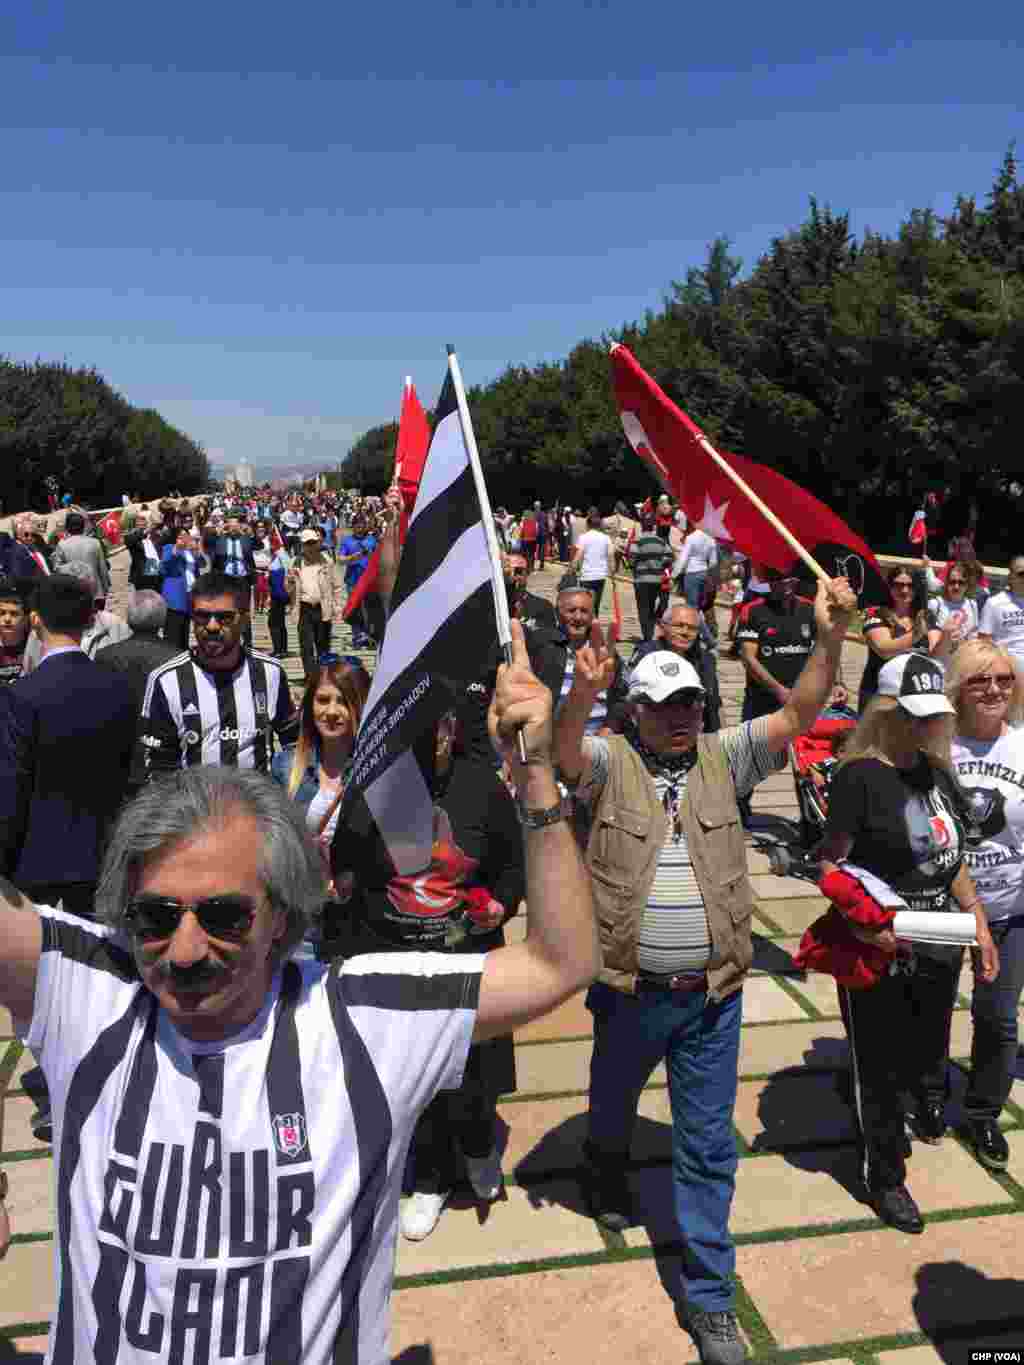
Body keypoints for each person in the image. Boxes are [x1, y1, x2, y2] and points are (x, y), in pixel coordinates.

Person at [0, 621, 597, 1364]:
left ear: (281, 917)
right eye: (154, 917)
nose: (184, 950)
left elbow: (561, 961)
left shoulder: (359, 1017)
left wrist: (536, 774)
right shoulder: (91, 987)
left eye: (224, 916)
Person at [553, 576, 857, 1365]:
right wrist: (578, 694)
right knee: (611, 1102)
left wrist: (830, 639)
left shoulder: (725, 757)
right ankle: (605, 1169)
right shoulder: (610, 759)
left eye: (689, 700)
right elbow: (560, 753)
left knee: (708, 1146)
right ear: (634, 711)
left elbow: (798, 714)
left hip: (713, 1000)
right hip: (628, 992)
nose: (680, 714)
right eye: (663, 704)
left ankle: (711, 1296)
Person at [816, 652, 999, 1234]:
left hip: (938, 937)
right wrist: (862, 924)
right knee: (877, 1066)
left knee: (923, 1048)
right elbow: (831, 865)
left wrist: (977, 920)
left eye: (932, 716)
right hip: (877, 944)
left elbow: (951, 859)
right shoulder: (858, 778)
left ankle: (916, 1104)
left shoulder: (937, 771)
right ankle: (885, 1174)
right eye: (914, 716)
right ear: (886, 712)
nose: (926, 726)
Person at [332, 703, 526, 1241]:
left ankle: (479, 1145)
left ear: (454, 725)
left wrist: (502, 905)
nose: (434, 735)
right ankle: (430, 1177)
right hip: (397, 956)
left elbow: (512, 866)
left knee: (474, 1070)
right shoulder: (380, 786)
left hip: (467, 955)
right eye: (421, 725)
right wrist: (338, 878)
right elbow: (347, 867)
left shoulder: (482, 787)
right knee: (416, 1077)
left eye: (442, 722)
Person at [0, 575, 137, 920]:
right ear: (88, 620)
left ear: (35, 620)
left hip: (34, 858)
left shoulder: (21, 695)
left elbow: (12, 783)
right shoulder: (118, 689)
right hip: (100, 853)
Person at [947, 640, 1024, 1169]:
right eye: (980, 679)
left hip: (1011, 907)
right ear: (959, 688)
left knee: (997, 1018)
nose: (994, 689)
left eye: (1004, 679)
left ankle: (982, 1113)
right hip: (943, 905)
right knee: (924, 1010)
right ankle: (927, 1093)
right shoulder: (938, 748)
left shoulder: (1021, 746)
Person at [142, 572, 298, 774]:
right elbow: (159, 766)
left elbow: (294, 742)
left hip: (257, 793)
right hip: (193, 794)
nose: (212, 626)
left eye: (225, 617)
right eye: (202, 616)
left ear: (244, 620)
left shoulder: (270, 673)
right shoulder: (166, 680)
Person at [271, 654, 371, 937]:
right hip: (302, 921)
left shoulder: (376, 767)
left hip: (362, 920)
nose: (332, 711)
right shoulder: (286, 766)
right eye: (323, 700)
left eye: (343, 701)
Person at [94, 590, 182, 796]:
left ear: (128, 618)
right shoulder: (178, 658)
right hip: (159, 756)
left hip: (116, 754)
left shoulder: (105, 656)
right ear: (163, 620)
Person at [530, 584, 627, 735]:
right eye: (571, 611)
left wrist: (609, 727)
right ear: (558, 614)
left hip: (598, 738)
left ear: (593, 615)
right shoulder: (542, 645)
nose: (578, 617)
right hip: (553, 736)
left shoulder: (604, 652)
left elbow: (621, 697)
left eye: (584, 611)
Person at [629, 602, 721, 734]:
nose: (685, 632)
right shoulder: (646, 655)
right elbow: (630, 698)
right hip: (654, 730)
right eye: (679, 626)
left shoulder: (705, 659)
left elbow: (713, 704)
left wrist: (715, 737)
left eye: (692, 628)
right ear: (662, 627)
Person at [859, 566, 942, 709]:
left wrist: (948, 637)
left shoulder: (926, 616)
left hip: (916, 694)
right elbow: (884, 649)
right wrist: (915, 635)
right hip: (879, 693)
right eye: (898, 585)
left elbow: (936, 653)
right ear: (889, 587)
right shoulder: (875, 613)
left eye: (910, 586)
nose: (904, 590)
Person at [288, 529, 337, 682]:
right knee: (306, 645)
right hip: (304, 608)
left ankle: (323, 677)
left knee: (323, 645)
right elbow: (287, 589)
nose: (310, 546)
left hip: (323, 607)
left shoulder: (327, 560)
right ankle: (310, 678)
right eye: (307, 543)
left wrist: (337, 606)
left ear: (318, 543)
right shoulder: (295, 562)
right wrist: (290, 580)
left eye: (313, 542)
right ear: (302, 545)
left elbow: (336, 585)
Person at [629, 514, 674, 643]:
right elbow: (669, 557)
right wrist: (659, 564)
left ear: (642, 526)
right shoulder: (661, 541)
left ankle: (647, 636)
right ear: (653, 526)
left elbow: (632, 559)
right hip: (656, 580)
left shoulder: (637, 541)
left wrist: (636, 565)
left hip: (641, 580)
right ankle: (651, 631)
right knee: (651, 606)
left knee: (643, 608)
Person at [160, 526, 204, 650]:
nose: (184, 538)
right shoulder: (169, 548)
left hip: (189, 594)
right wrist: (177, 548)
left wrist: (197, 551)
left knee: (184, 631)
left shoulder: (190, 550)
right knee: (173, 633)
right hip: (175, 595)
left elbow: (202, 564)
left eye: (186, 535)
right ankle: (170, 655)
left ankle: (183, 654)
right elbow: (164, 566)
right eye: (181, 536)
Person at [51, 511, 112, 599]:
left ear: (67, 528)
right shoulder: (95, 543)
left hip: (74, 593)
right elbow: (102, 568)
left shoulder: (61, 545)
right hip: (96, 591)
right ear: (83, 526)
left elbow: (57, 569)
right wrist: (105, 589)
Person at [979, 554, 1024, 669]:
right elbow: (984, 641)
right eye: (1021, 574)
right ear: (1010, 577)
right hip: (1008, 665)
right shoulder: (994, 603)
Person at [571, 509, 615, 614]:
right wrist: (613, 573)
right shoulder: (606, 538)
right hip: (600, 576)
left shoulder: (583, 537)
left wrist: (572, 569)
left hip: (586, 575)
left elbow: (578, 556)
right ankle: (595, 620)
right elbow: (610, 556)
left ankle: (588, 623)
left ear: (588, 525)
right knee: (596, 604)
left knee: (585, 604)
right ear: (599, 525)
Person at [504, 551, 557, 635]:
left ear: (527, 574)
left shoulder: (543, 607)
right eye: (507, 573)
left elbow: (548, 637)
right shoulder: (493, 606)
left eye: (518, 571)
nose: (512, 577)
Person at [673, 525, 720, 612]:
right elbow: (713, 562)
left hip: (692, 572)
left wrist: (674, 574)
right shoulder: (711, 539)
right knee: (699, 604)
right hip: (704, 572)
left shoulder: (691, 538)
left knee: (691, 605)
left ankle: (693, 620)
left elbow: (683, 558)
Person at [123, 513, 167, 595]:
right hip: (141, 575)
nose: (142, 523)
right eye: (140, 520)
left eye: (144, 520)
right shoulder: (130, 536)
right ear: (135, 523)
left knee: (156, 594)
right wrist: (145, 532)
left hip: (155, 570)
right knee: (144, 597)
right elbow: (130, 541)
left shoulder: (153, 535)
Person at [0, 579, 30, 687]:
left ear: (26, 619)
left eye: (14, 614)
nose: (7, 619)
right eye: (2, 613)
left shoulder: (34, 646)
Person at [267, 537, 294, 657]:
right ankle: (282, 649)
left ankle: (279, 650)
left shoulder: (281, 555)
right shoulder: (278, 555)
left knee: (274, 622)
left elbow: (289, 572)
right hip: (276, 593)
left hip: (280, 593)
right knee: (279, 622)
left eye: (272, 543)